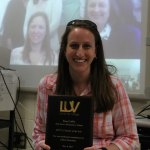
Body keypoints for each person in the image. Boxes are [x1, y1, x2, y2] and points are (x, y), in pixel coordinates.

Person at [32, 20, 139, 150]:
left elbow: (130, 139)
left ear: (96, 52)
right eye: (74, 45)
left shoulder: (113, 86)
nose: (80, 53)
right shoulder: (46, 85)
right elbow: (39, 134)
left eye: (87, 46)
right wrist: (43, 145)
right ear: (64, 49)